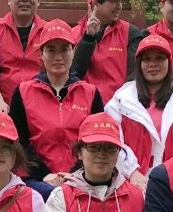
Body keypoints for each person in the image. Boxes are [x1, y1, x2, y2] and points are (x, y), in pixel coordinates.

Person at [9, 19, 104, 196]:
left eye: (64, 49)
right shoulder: (23, 91)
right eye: (51, 50)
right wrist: (44, 175)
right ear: (41, 54)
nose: (58, 57)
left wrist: (75, 174)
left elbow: (96, 141)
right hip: (35, 179)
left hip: (82, 177)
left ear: (73, 51)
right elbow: (18, 141)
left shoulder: (90, 93)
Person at [105, 34, 173, 190]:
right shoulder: (120, 100)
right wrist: (132, 172)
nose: (153, 64)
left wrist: (172, 174)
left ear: (169, 62)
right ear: (139, 64)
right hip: (129, 184)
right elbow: (113, 140)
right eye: (147, 59)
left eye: (159, 58)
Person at [72, 0, 147, 104]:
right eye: (113, 1)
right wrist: (88, 38)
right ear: (96, 4)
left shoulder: (131, 33)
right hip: (83, 107)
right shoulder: (73, 34)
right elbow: (73, 74)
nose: (119, 6)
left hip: (120, 107)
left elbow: (134, 77)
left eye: (120, 1)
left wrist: (120, 105)